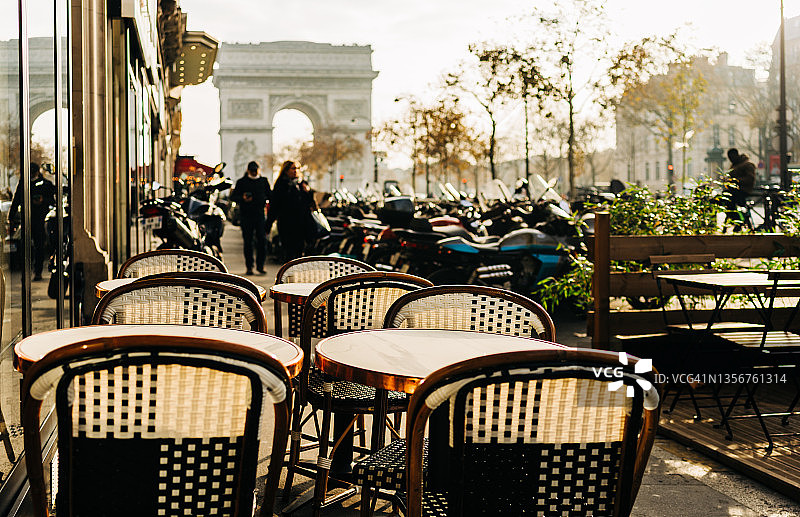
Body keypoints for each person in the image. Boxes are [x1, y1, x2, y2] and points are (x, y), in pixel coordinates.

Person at [9, 163, 56, 280]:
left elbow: (52, 200)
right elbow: (16, 200)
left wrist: (42, 200)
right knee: (25, 247)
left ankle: (37, 272)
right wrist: (10, 216)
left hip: (39, 220)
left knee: (39, 246)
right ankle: (26, 272)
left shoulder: (46, 184)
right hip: (27, 219)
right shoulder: (23, 184)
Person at [231, 160, 271, 275]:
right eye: (252, 171)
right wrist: (242, 198)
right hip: (246, 216)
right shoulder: (242, 182)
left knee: (262, 241)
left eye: (256, 170)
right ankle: (249, 266)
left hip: (260, 216)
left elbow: (270, 195)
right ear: (248, 170)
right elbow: (233, 197)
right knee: (248, 242)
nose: (254, 173)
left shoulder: (264, 181)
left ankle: (260, 265)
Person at [270, 160, 315, 261]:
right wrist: (268, 224)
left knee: (300, 253)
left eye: (298, 168)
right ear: (286, 170)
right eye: (293, 168)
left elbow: (310, 203)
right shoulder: (281, 184)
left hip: (302, 224)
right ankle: (288, 275)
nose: (296, 171)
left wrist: (308, 191)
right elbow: (275, 205)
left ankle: (297, 275)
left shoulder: (302, 183)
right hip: (287, 224)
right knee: (289, 253)